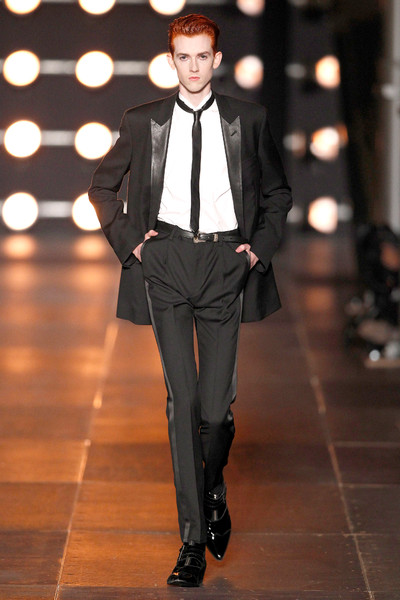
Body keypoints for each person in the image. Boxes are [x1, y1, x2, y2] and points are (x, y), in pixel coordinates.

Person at [88, 13, 292, 588]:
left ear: (217, 59)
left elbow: (278, 192)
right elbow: (102, 187)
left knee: (215, 411)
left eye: (203, 56)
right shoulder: (143, 121)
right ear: (171, 60)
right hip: (167, 264)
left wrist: (255, 254)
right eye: (184, 56)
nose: (194, 66)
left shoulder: (249, 119)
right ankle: (192, 542)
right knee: (182, 404)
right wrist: (136, 247)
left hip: (226, 263)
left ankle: (213, 487)